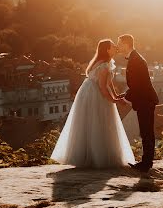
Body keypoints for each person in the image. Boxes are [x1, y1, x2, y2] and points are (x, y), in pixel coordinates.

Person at [51, 39, 135, 168]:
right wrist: (113, 100)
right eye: (113, 46)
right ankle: (95, 157)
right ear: (107, 50)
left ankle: (89, 155)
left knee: (91, 123)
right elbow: (102, 87)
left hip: (87, 92)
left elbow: (109, 82)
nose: (116, 48)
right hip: (95, 95)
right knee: (98, 122)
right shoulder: (104, 66)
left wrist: (115, 94)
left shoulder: (104, 63)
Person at [117, 33, 159, 172]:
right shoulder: (135, 58)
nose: (118, 46)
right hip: (144, 99)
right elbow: (136, 85)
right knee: (146, 132)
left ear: (126, 44)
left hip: (145, 100)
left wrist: (126, 97)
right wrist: (126, 94)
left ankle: (146, 164)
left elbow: (137, 85)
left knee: (146, 132)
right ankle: (147, 162)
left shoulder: (135, 60)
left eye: (120, 43)